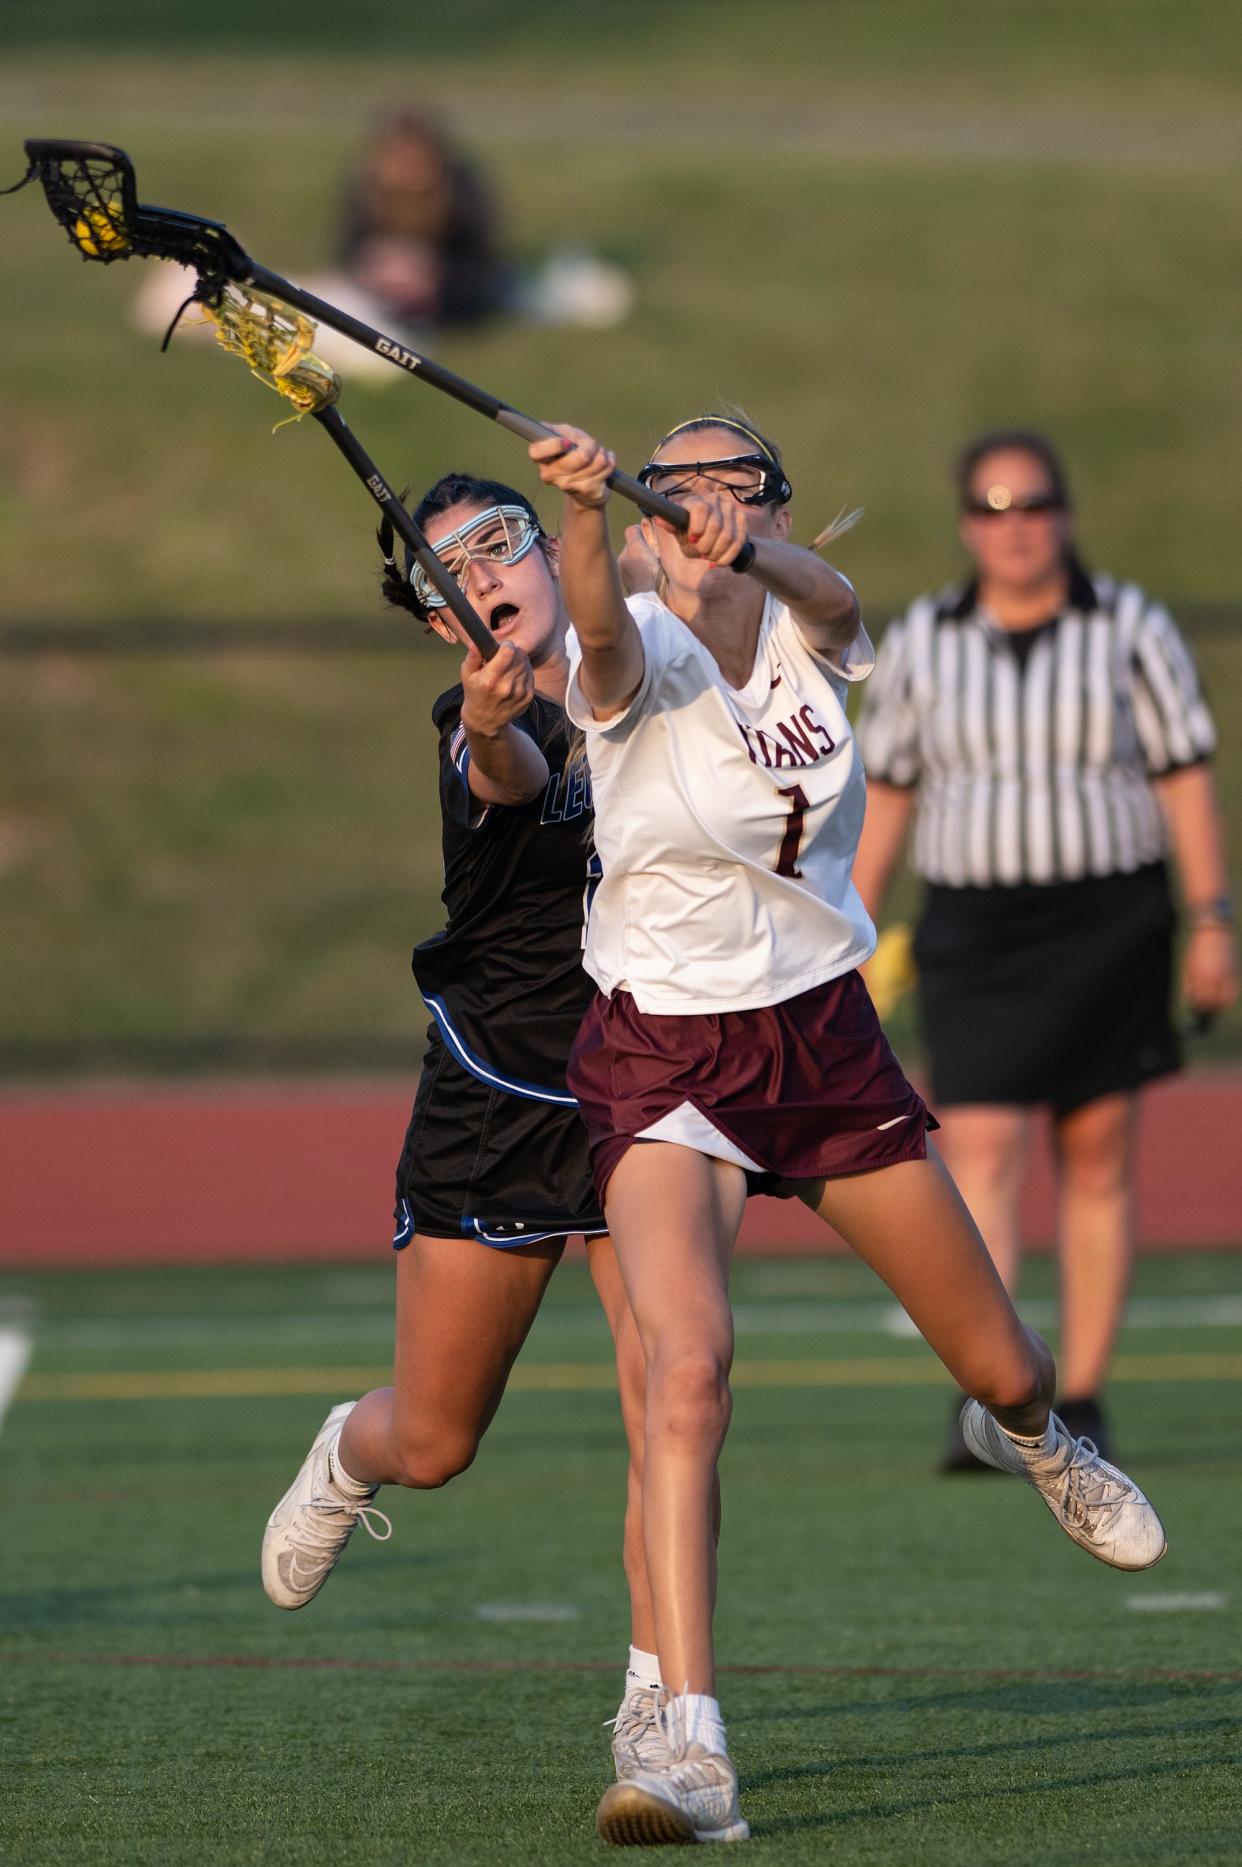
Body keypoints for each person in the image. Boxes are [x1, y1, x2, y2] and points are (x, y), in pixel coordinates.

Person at [530, 413, 1168, 1848]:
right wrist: (576, 520)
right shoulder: (624, 632)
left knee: (1003, 1360)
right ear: (643, 519)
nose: (693, 504)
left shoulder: (811, 623)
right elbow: (601, 638)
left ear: (767, 509)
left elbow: (830, 597)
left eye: (729, 483)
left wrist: (752, 546)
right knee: (684, 1367)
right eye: (670, 483)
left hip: (820, 1037)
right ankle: (688, 1742)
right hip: (659, 1050)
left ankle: (1040, 1436)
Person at [260, 473, 666, 1785]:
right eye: (451, 569)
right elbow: (510, 767)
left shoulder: (644, 655)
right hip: (502, 1096)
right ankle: (347, 1446)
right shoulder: (475, 722)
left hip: (650, 1087)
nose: (484, 572)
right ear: (444, 622)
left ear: (551, 554)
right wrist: (497, 723)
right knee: (433, 1440)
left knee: (674, 1394)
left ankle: (661, 1708)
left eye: (500, 544)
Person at [852, 430, 1238, 1471]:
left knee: (1095, 1154)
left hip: (1107, 917)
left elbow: (1184, 775)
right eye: (991, 507)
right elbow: (886, 794)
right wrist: (843, 933)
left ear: (1064, 514)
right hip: (974, 926)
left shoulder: (1129, 627)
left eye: (1032, 506)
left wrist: (1212, 917)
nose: (1013, 528)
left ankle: (1091, 1392)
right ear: (966, 522)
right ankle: (996, 1392)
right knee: (976, 1149)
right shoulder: (925, 640)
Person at [337, 111, 509, 331]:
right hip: (380, 294)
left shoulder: (460, 189)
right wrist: (376, 268)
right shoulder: (367, 191)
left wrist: (432, 273)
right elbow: (348, 252)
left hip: (450, 299)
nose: (409, 166)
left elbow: (480, 259)